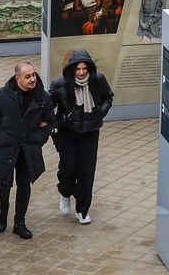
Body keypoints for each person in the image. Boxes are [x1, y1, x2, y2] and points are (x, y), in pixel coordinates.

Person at [0, 62, 53, 239]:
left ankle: (20, 222)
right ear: (17, 78)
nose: (32, 79)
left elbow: (50, 122)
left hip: (28, 149)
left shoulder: (42, 98)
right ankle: (2, 211)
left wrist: (38, 139)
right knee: (3, 184)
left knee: (24, 185)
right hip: (6, 149)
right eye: (27, 76)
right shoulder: (1, 96)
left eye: (34, 75)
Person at [48, 50, 113, 225]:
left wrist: (101, 112)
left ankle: (82, 210)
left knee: (86, 171)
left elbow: (108, 97)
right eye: (78, 69)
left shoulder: (97, 80)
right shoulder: (60, 84)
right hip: (67, 132)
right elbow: (48, 106)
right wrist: (56, 122)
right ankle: (65, 192)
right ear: (72, 69)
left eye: (85, 68)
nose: (82, 72)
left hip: (90, 131)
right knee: (68, 167)